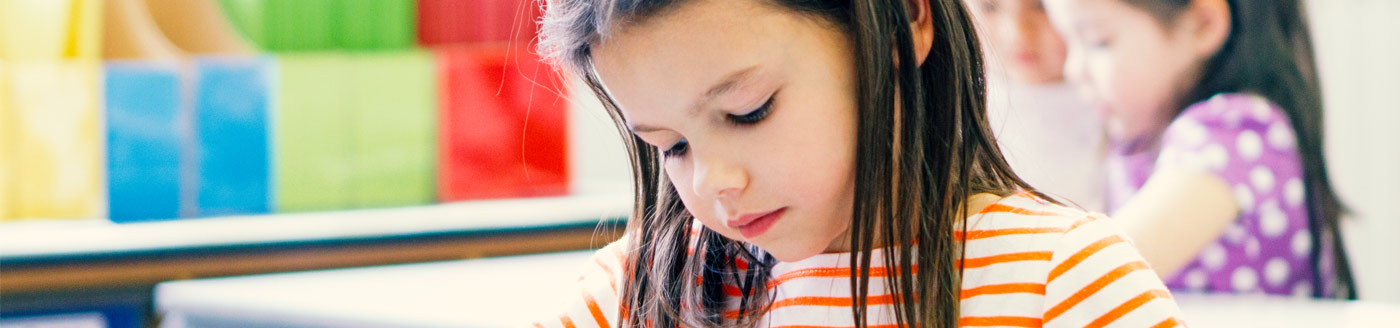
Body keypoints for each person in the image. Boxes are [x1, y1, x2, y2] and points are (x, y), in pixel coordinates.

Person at [534, 0, 1186, 326]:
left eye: (749, 111)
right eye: (669, 145)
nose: (713, 182)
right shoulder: (629, 295)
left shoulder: (1066, 281)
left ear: (903, 23)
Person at [1042, 0, 1356, 298]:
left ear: (1201, 25)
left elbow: (1091, 268)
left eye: (1098, 41)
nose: (1073, 69)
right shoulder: (1136, 144)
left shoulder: (1237, 131)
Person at [968, 0, 1107, 212]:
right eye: (990, 7)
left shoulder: (1118, 105)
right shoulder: (966, 114)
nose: (1016, 33)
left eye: (1041, 6)